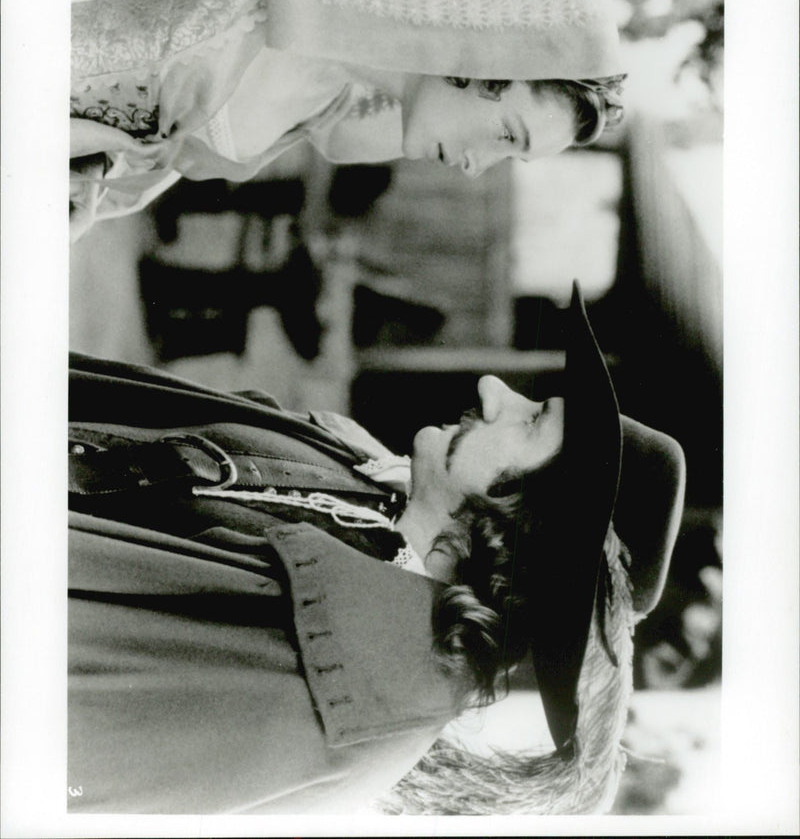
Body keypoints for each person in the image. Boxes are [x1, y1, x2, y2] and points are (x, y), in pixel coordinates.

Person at [68, 283, 685, 815]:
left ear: (534, 523)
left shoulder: (357, 696)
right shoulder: (368, 489)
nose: (493, 389)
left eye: (529, 423)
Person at [70, 0, 626, 240]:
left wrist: (82, 191)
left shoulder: (318, 108)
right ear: (482, 60)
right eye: (508, 134)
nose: (478, 167)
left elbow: (124, 169)